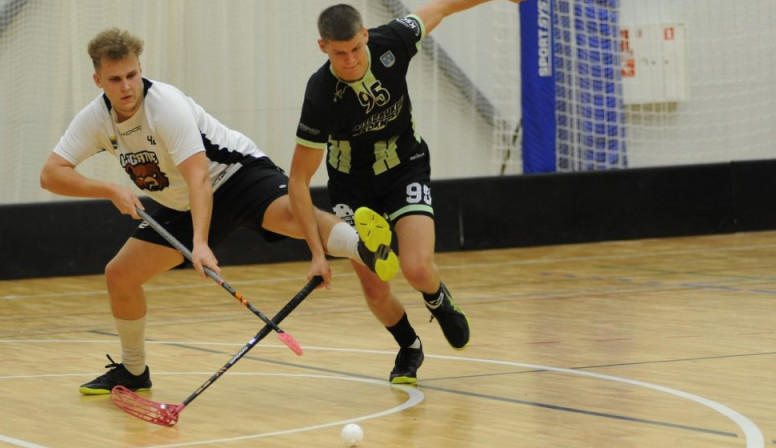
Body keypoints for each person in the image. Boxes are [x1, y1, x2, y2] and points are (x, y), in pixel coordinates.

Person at [40, 28, 398, 395]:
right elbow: (51, 175)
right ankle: (133, 371)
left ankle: (366, 248)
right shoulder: (95, 119)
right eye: (115, 79)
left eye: (132, 75)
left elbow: (199, 176)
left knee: (292, 214)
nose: (127, 86)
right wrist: (109, 189)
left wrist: (199, 242)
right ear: (98, 80)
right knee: (119, 275)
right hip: (179, 202)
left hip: (236, 175)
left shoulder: (164, 105)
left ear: (139, 68)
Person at [288, 0, 524, 385]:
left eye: (355, 49)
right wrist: (317, 253)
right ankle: (409, 345)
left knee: (415, 268)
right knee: (375, 287)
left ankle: (437, 299)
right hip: (352, 186)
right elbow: (298, 180)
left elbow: (441, 9)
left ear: (366, 36)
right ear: (323, 47)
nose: (349, 60)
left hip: (404, 166)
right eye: (338, 53)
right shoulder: (319, 94)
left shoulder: (392, 41)